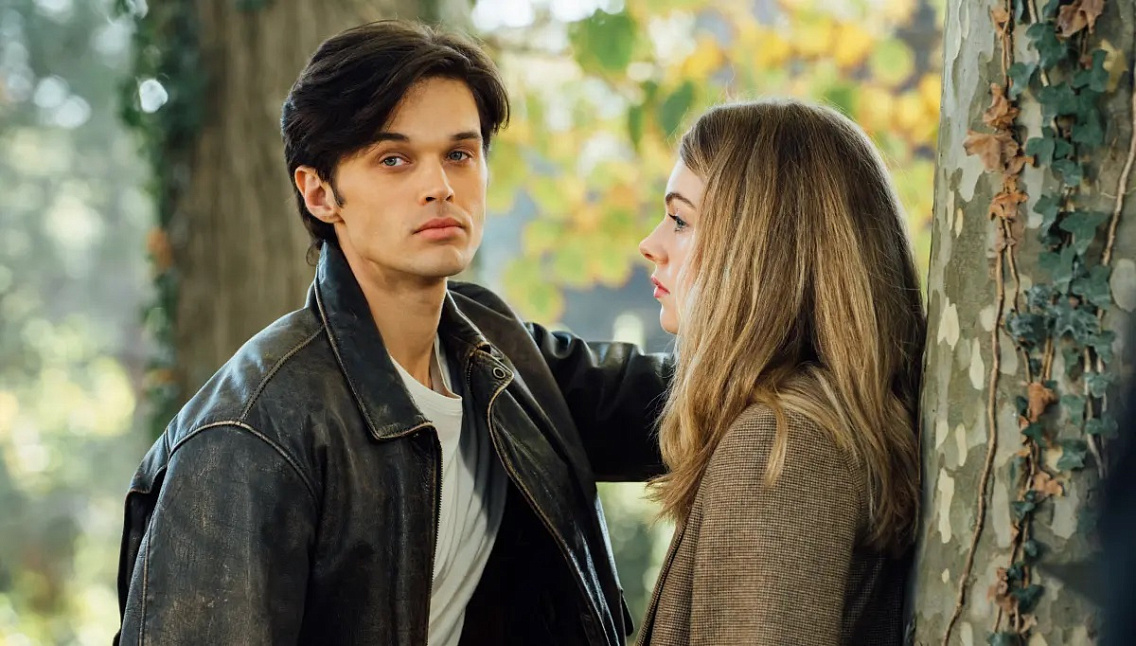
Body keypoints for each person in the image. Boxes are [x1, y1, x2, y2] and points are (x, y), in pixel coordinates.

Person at [115, 20, 668, 646]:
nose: (440, 187)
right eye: (394, 160)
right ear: (320, 193)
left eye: (459, 154)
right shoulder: (251, 431)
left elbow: (690, 398)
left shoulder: (495, 349)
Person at [635, 99, 926, 645]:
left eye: (680, 221)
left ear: (764, 249)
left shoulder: (778, 446)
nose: (651, 245)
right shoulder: (815, 425)